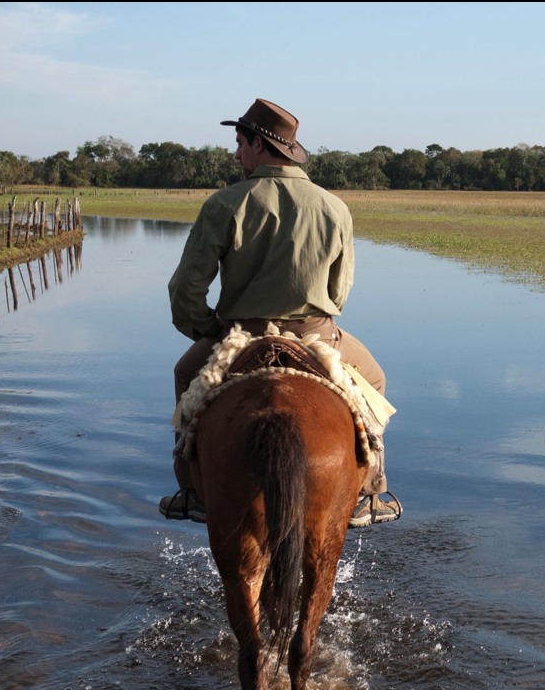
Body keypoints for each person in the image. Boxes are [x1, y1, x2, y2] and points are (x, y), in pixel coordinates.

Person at [159, 98, 400, 528]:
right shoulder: (334, 207)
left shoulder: (225, 204)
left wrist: (211, 330)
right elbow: (339, 291)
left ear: (258, 144)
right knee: (375, 380)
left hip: (240, 335)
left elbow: (185, 290)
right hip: (317, 337)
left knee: (184, 374)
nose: (236, 154)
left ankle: (192, 492)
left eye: (239, 142)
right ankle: (370, 494)